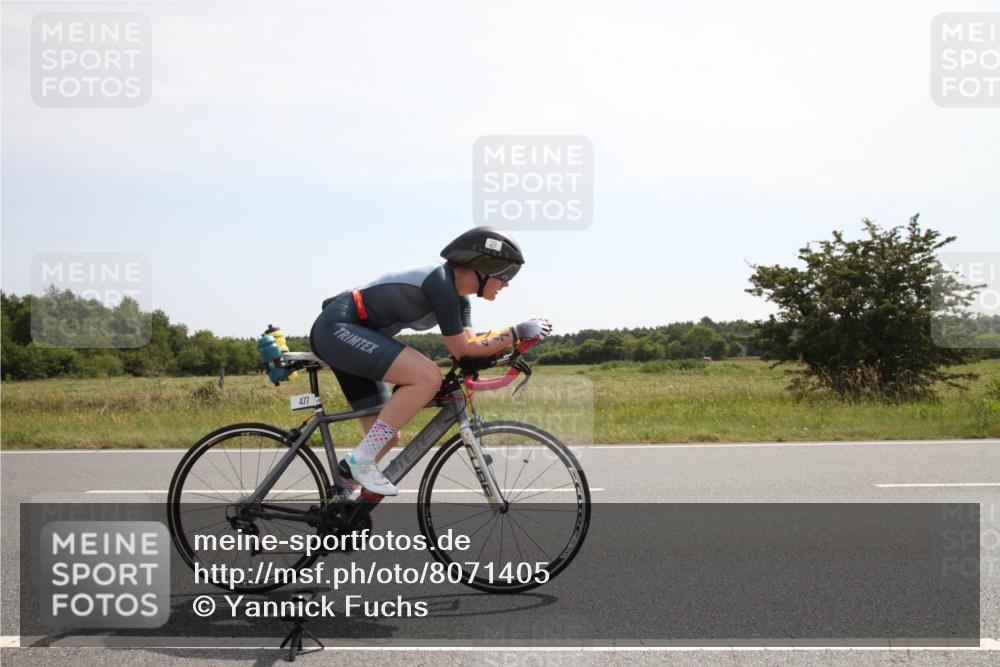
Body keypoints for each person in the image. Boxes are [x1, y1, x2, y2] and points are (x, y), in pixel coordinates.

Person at [309, 227, 552, 496]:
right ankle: (359, 462)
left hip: (356, 337)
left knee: (385, 437)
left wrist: (513, 345)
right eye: (505, 274)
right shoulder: (441, 283)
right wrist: (516, 332)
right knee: (427, 376)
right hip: (337, 328)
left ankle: (338, 502)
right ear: (482, 266)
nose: (507, 283)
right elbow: (464, 350)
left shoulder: (460, 301)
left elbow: (472, 349)